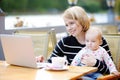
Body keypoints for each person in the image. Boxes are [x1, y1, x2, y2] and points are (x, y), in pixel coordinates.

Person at [37, 6, 113, 78]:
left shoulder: (98, 40)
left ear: (82, 21)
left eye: (71, 23)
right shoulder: (64, 42)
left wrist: (96, 63)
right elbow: (51, 64)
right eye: (66, 25)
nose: (69, 28)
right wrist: (42, 62)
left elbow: (111, 70)